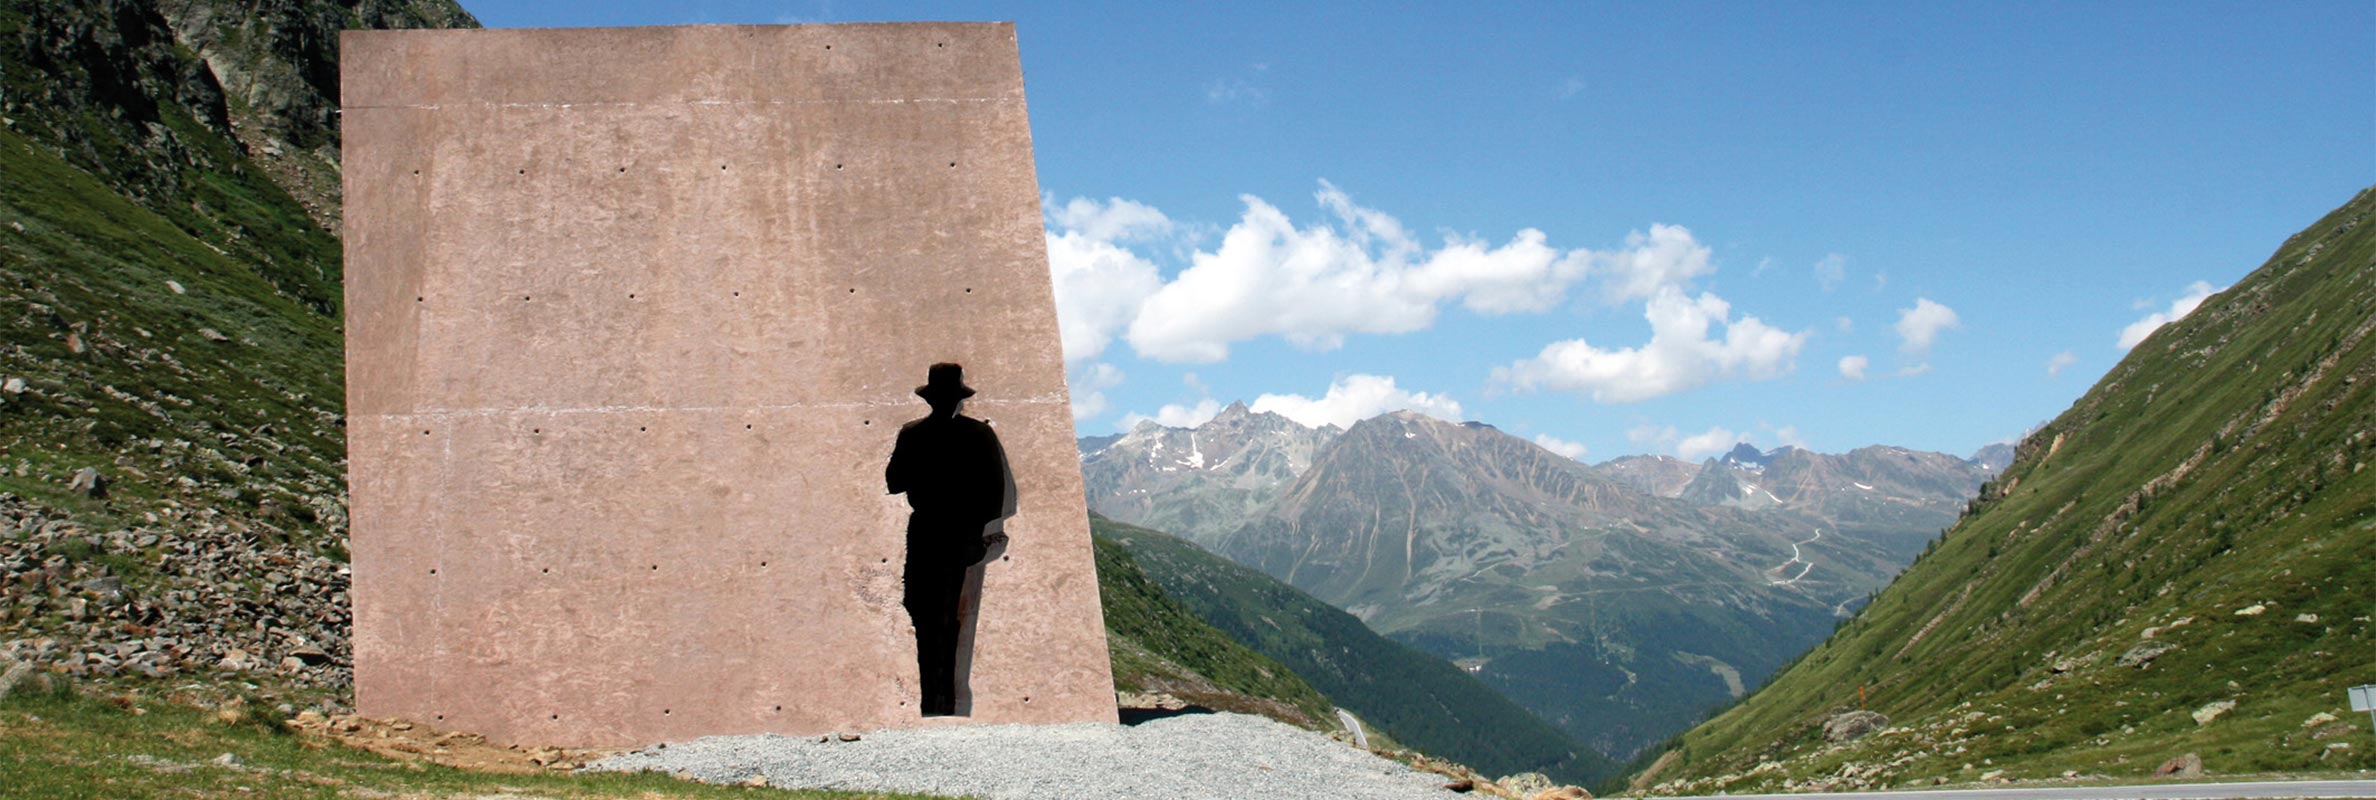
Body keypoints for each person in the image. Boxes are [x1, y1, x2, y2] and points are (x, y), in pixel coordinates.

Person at [885, 363, 1011, 716]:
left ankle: (934, 700)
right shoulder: (977, 435)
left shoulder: (912, 434)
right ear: (959, 399)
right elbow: (994, 493)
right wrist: (979, 534)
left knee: (926, 615)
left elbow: (894, 481)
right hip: (958, 533)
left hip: (929, 531)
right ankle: (942, 699)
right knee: (940, 614)